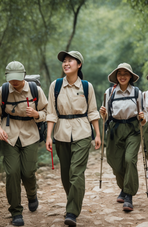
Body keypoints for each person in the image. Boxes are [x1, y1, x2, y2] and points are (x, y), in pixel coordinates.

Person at [0, 61, 48, 226]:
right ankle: (16, 212)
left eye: (17, 79)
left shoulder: (35, 90)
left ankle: (32, 194)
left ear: (24, 76)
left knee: (28, 172)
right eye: (11, 79)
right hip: (9, 135)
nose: (14, 82)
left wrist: (36, 114)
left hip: (30, 135)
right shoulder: (3, 91)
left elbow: (47, 112)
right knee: (12, 173)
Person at [45, 51, 101, 226]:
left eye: (70, 61)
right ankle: (74, 200)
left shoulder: (86, 86)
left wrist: (97, 133)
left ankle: (71, 212)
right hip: (61, 134)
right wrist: (48, 136)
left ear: (79, 65)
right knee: (65, 174)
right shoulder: (55, 86)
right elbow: (51, 114)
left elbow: (92, 111)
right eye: (64, 61)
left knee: (76, 173)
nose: (66, 63)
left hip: (82, 132)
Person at [99, 63, 144, 211]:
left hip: (132, 129)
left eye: (126, 73)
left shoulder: (137, 92)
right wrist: (103, 114)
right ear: (116, 77)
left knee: (129, 159)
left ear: (130, 76)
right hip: (115, 130)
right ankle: (124, 188)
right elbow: (105, 116)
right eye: (120, 74)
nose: (122, 76)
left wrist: (143, 118)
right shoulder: (110, 92)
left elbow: (144, 114)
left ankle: (129, 196)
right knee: (115, 162)